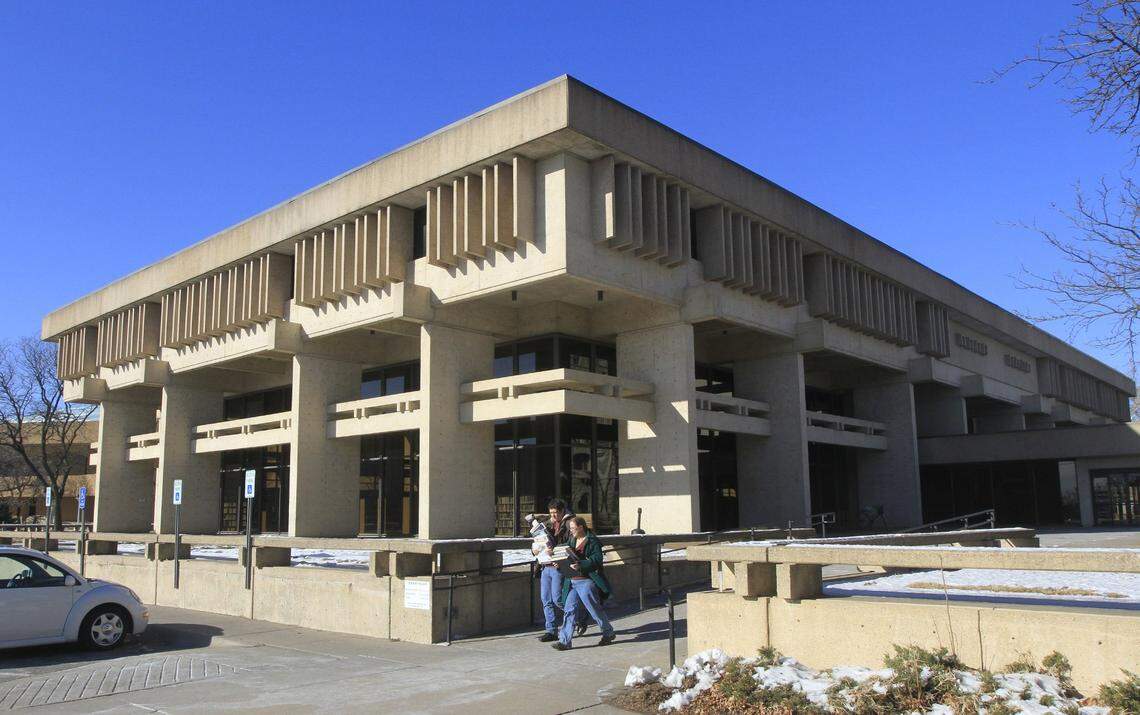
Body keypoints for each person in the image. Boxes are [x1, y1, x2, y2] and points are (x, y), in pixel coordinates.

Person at [552, 516, 615, 650]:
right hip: (572, 581)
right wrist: (559, 562)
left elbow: (597, 560)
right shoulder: (572, 540)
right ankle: (564, 641)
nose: (571, 531)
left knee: (594, 609)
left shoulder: (592, 541)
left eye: (573, 528)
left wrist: (581, 564)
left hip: (586, 581)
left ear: (581, 527)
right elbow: (566, 556)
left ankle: (608, 632)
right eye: (570, 529)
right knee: (569, 610)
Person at [532, 499, 573, 642]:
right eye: (551, 513)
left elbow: (570, 545)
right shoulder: (546, 525)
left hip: (558, 566)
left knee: (557, 599)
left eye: (556, 513)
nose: (553, 516)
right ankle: (551, 631)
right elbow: (537, 541)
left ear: (562, 511)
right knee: (545, 600)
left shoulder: (569, 524)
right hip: (544, 566)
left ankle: (579, 618)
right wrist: (535, 550)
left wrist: (555, 552)